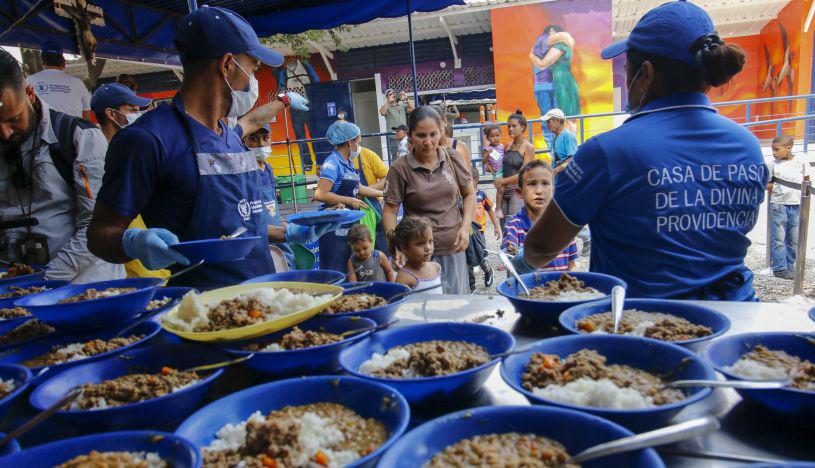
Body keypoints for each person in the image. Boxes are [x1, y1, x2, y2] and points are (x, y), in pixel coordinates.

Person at [513, 1, 765, 301]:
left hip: (644, 331)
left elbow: (541, 249)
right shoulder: (748, 146)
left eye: (626, 67)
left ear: (645, 73)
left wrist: (518, 264)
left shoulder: (606, 152)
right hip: (734, 325)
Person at [88, 6, 337, 290]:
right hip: (204, 313)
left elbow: (230, 230)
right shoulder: (147, 140)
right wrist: (132, 242)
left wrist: (287, 232)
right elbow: (99, 233)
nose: (253, 79)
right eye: (253, 67)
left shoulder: (229, 134)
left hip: (264, 297)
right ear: (227, 65)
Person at [0, 49, 123, 282]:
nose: (4, 133)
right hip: (14, 289)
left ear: (29, 94)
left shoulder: (80, 138)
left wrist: (43, 281)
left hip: (84, 285)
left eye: (14, 119)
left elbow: (96, 224)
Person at [383, 106, 475, 295]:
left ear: (441, 130)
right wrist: (397, 246)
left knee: (457, 307)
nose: (428, 142)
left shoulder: (452, 157)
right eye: (421, 135)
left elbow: (469, 194)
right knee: (425, 311)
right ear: (410, 136)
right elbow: (390, 210)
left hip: (453, 248)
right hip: (418, 256)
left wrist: (465, 228)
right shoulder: (400, 168)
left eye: (433, 134)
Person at [91, 83, 167, 281]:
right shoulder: (99, 155)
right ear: (112, 114)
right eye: (132, 110)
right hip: (127, 259)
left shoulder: (137, 149)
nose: (139, 114)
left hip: (147, 257)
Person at [315, 120, 384, 273]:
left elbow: (359, 188)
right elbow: (320, 194)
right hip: (334, 228)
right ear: (350, 142)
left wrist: (384, 193)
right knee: (336, 270)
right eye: (358, 141)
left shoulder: (348, 163)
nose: (359, 146)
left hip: (348, 224)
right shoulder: (332, 164)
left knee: (351, 270)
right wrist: (350, 201)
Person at [503, 160, 577, 272]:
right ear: (519, 192)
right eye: (532, 184)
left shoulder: (565, 226)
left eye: (545, 183)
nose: (539, 191)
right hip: (527, 289)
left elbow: (572, 264)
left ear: (553, 190)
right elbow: (510, 255)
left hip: (560, 287)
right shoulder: (514, 226)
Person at [243, 124, 295, 271]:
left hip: (280, 242)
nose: (261, 144)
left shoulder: (269, 169)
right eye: (254, 139)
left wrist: (286, 226)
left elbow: (273, 209)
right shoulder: (244, 173)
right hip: (261, 242)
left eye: (265, 138)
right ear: (244, 140)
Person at [767, 134, 811, 280]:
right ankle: (779, 268)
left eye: (776, 149)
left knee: (793, 238)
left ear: (788, 148)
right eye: (772, 149)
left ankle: (789, 265)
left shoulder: (802, 161)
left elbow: (806, 182)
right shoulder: (772, 164)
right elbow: (767, 184)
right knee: (778, 238)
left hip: (796, 205)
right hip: (778, 205)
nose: (774, 153)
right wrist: (776, 186)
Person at [529, 25, 581, 131]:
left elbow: (542, 64)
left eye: (554, 32)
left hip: (562, 83)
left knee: (566, 116)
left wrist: (532, 56)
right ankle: (572, 144)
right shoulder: (566, 45)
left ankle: (569, 144)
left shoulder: (559, 46)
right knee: (569, 117)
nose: (551, 34)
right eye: (550, 32)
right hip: (566, 80)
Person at [26, 42, 93, 120]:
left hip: (44, 130)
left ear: (43, 61)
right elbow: (87, 112)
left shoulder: (31, 80)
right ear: (63, 62)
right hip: (73, 130)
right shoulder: (77, 83)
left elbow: (24, 108)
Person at [277, 56, 320, 172]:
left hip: (309, 106)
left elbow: (317, 82)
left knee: (313, 134)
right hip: (295, 108)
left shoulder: (306, 66)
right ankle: (307, 163)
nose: (288, 60)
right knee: (301, 137)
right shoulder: (283, 73)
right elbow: (280, 90)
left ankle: (319, 159)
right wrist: (285, 99)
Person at [494, 110, 535, 230]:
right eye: (508, 126)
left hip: (517, 191)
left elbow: (524, 174)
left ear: (522, 127)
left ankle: (518, 248)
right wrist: (489, 166)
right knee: (503, 226)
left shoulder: (529, 147)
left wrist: (502, 181)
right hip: (503, 191)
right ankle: (506, 248)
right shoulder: (506, 146)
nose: (510, 129)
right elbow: (496, 164)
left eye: (514, 126)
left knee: (514, 225)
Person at [352, 140, 389, 250]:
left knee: (378, 246)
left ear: (358, 138)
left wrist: (366, 190)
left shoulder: (368, 155)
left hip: (371, 208)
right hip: (349, 210)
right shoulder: (337, 161)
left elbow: (387, 177)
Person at [392, 216, 442, 293]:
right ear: (404, 247)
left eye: (430, 241)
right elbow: (399, 302)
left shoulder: (436, 268)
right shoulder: (404, 277)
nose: (428, 247)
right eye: (420, 243)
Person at [468, 171, 498, 291]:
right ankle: (471, 286)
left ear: (476, 180)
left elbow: (490, 210)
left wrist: (496, 226)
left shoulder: (482, 195)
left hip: (479, 231)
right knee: (468, 256)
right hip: (468, 230)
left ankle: (488, 271)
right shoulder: (462, 196)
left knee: (481, 254)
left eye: (468, 179)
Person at [530, 27, 557, 145]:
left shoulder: (537, 47)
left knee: (548, 115)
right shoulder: (548, 42)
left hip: (545, 85)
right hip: (547, 85)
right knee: (553, 115)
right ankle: (552, 144)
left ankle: (551, 144)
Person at [543, 108, 578, 175]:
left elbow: (572, 158)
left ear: (557, 121)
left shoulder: (567, 136)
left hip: (565, 178)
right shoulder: (555, 138)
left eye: (549, 122)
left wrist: (556, 170)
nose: (547, 125)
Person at [483, 124, 505, 217]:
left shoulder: (502, 146)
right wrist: (488, 154)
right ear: (488, 138)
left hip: (505, 169)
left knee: (505, 189)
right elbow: (484, 161)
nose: (495, 138)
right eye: (492, 136)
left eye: (497, 135)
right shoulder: (487, 148)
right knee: (500, 189)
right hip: (496, 171)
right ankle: (498, 208)